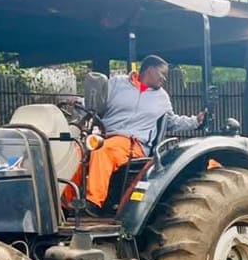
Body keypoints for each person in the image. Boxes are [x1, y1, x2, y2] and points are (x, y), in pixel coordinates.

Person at [84, 55, 206, 212]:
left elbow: (172, 121)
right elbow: (95, 103)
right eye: (162, 74)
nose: (164, 79)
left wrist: (195, 120)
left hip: (134, 143)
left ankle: (93, 203)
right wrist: (79, 103)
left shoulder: (162, 97)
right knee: (76, 150)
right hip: (104, 135)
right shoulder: (116, 83)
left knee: (103, 150)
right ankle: (64, 204)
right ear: (149, 69)